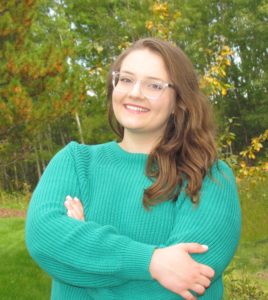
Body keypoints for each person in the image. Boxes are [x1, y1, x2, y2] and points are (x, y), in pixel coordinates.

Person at [25, 37, 241, 300]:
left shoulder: (208, 175)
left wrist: (81, 259)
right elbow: (43, 238)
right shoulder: (75, 161)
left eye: (154, 85)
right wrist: (152, 262)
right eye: (126, 79)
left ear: (179, 101)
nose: (135, 92)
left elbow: (184, 285)